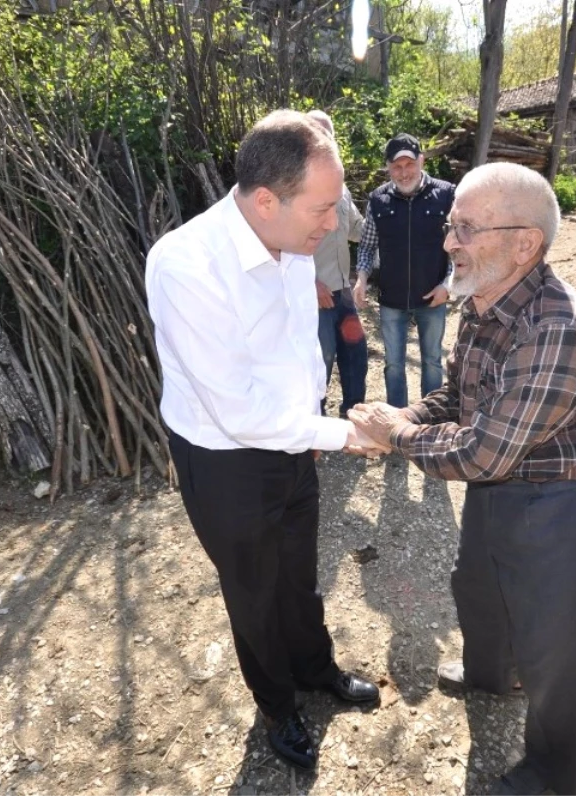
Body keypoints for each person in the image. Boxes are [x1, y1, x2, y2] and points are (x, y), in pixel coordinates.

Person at [348, 163, 576, 796]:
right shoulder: (483, 300)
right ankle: (492, 679)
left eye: (466, 228)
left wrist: (396, 436)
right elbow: (460, 400)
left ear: (525, 243)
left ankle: (558, 773)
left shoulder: (561, 327)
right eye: (452, 226)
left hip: (561, 501)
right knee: (479, 591)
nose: (449, 242)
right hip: (500, 487)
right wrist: (405, 416)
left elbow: (484, 450)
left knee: (559, 647)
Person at [145, 110, 381, 772]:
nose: (333, 223)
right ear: (267, 199)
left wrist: (310, 418)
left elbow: (295, 348)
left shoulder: (288, 243)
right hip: (225, 459)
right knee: (252, 587)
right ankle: (277, 705)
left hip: (291, 439)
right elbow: (234, 408)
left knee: (299, 574)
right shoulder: (187, 265)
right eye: (325, 207)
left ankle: (314, 670)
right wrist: (342, 433)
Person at [354, 133, 455, 408]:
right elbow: (366, 247)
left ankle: (430, 417)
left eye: (409, 164)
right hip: (392, 300)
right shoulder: (378, 200)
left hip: (432, 295)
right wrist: (361, 278)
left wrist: (448, 284)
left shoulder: (446, 195)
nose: (403, 172)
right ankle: (398, 420)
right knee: (394, 364)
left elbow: (459, 247)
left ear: (421, 161)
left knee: (432, 361)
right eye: (396, 166)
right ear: (388, 167)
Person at [305, 110, 368, 417]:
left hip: (342, 288)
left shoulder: (339, 188)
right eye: (315, 132)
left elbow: (357, 228)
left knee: (355, 353)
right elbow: (282, 246)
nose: (322, 138)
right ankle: (314, 421)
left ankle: (354, 415)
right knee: (321, 358)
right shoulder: (293, 186)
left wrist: (390, 229)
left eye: (326, 133)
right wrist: (309, 282)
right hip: (315, 294)